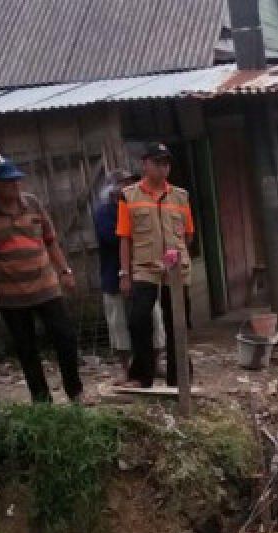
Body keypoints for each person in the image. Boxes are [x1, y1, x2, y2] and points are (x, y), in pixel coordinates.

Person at [0, 160, 90, 404]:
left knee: (65, 337)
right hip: (11, 295)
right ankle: (41, 399)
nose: (15, 186)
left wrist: (65, 270)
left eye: (17, 180)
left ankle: (75, 390)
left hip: (46, 287)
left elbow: (50, 240)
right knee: (26, 349)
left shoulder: (32, 204)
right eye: (8, 182)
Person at [117, 143, 196, 388]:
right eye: (158, 162)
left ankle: (179, 376)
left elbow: (189, 234)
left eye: (167, 163)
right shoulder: (129, 195)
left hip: (175, 270)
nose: (164, 168)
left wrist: (177, 252)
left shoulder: (180, 196)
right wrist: (125, 274)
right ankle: (143, 375)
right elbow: (124, 238)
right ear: (145, 164)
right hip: (144, 267)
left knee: (177, 323)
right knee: (138, 320)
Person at [94, 169, 164, 380]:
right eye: (123, 184)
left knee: (154, 319)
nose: (129, 188)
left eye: (131, 183)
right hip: (114, 275)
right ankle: (126, 369)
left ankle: (156, 363)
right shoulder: (105, 212)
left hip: (145, 272)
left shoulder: (140, 207)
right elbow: (113, 238)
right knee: (119, 325)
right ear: (113, 190)